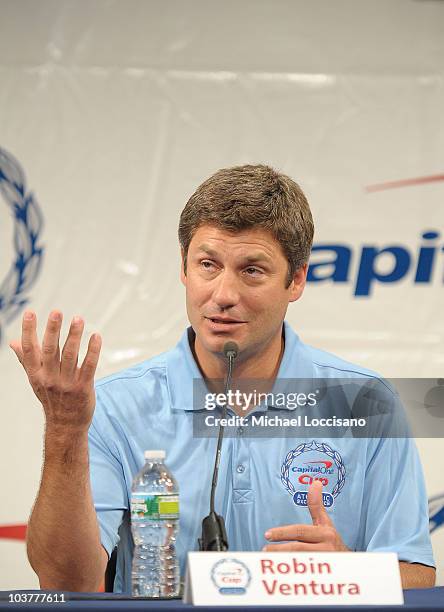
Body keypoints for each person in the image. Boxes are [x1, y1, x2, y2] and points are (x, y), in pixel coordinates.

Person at [11, 164, 435, 593]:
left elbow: (419, 577)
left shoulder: (365, 401)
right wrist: (65, 431)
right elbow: (66, 584)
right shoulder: (114, 407)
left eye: (252, 270)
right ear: (183, 268)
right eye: (208, 265)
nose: (223, 295)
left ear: (297, 279)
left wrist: (347, 573)